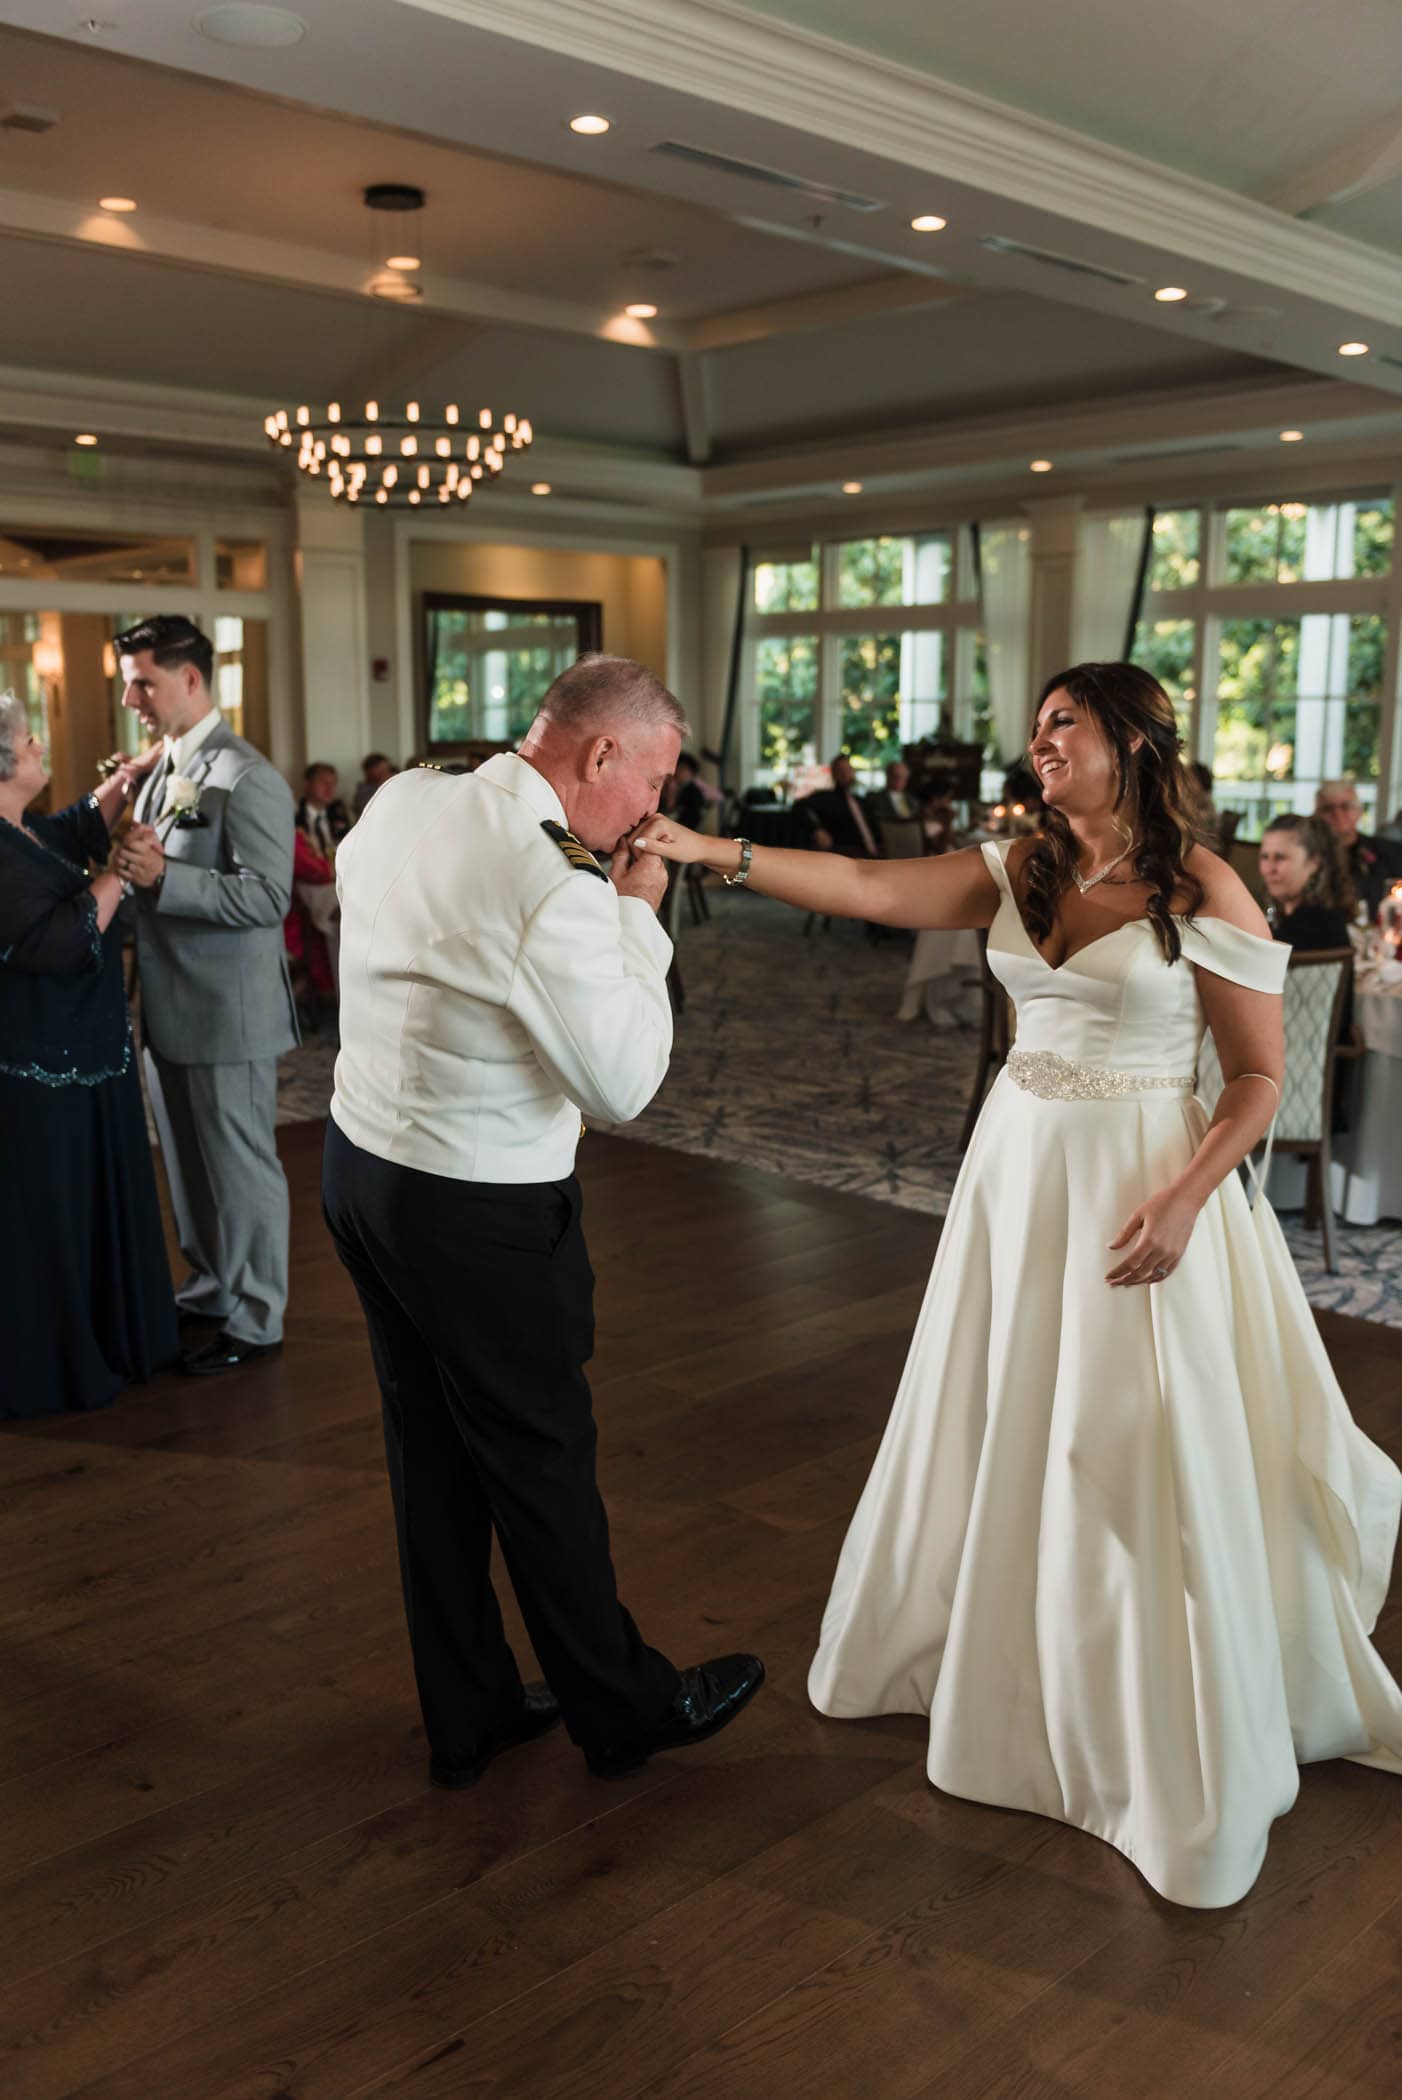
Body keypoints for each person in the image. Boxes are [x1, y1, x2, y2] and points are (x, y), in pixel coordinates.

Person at [633, 659, 1402, 1910]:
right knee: (1008, 1416)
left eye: (1064, 723)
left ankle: (1144, 1720)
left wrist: (1189, 1194)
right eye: (1036, 725)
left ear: (1133, 741)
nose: (1038, 743)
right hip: (1016, 1179)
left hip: (1145, 1175)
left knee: (1130, 1438)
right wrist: (710, 848)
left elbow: (1258, 1076)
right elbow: (868, 887)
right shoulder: (1021, 866)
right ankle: (1009, 1675)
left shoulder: (1199, 883)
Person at [321, 653, 765, 1789]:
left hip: (363, 1167)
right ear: (599, 752)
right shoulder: (549, 875)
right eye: (653, 780)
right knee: (540, 1463)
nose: (655, 810)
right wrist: (636, 918)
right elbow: (623, 1083)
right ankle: (622, 1709)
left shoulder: (408, 795)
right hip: (475, 1205)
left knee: (430, 1451)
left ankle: (465, 1709)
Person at [112, 614, 299, 1377]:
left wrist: (166, 879)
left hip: (229, 1014)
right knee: (189, 1168)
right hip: (166, 1005)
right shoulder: (167, 768)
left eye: (143, 682)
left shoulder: (248, 776)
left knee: (240, 1169)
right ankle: (214, 1287)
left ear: (190, 679)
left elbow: (268, 898)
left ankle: (257, 1318)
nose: (132, 699)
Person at [0, 692, 179, 1415]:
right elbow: (61, 942)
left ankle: (114, 1333)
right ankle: (59, 1361)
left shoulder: (21, 829)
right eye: (29, 740)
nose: (41, 745)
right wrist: (123, 872)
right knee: (55, 1216)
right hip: (38, 1074)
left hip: (84, 1063)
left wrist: (129, 778)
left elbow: (70, 829)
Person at [1259, 814, 1356, 952]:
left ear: (1313, 863)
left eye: (1280, 857)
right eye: (1264, 857)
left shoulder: (1313, 928)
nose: (1270, 869)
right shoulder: (1285, 919)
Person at [1315, 779, 1402, 919]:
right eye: (1328, 808)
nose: (1337, 814)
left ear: (1359, 811)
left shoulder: (1391, 853)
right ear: (1316, 815)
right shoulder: (1307, 856)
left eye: (1345, 806)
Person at [797, 753, 881, 857]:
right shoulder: (825, 798)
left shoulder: (862, 801)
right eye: (840, 770)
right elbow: (799, 806)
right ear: (833, 774)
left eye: (848, 769)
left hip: (877, 856)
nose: (845, 774)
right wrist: (816, 829)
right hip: (849, 855)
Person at [297, 762, 351, 855]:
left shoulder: (339, 813)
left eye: (333, 783)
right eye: (323, 782)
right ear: (307, 784)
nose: (330, 788)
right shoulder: (294, 815)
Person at [352, 751, 397, 819]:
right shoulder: (363, 792)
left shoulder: (394, 784)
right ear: (369, 771)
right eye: (381, 770)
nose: (386, 774)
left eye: (387, 770)